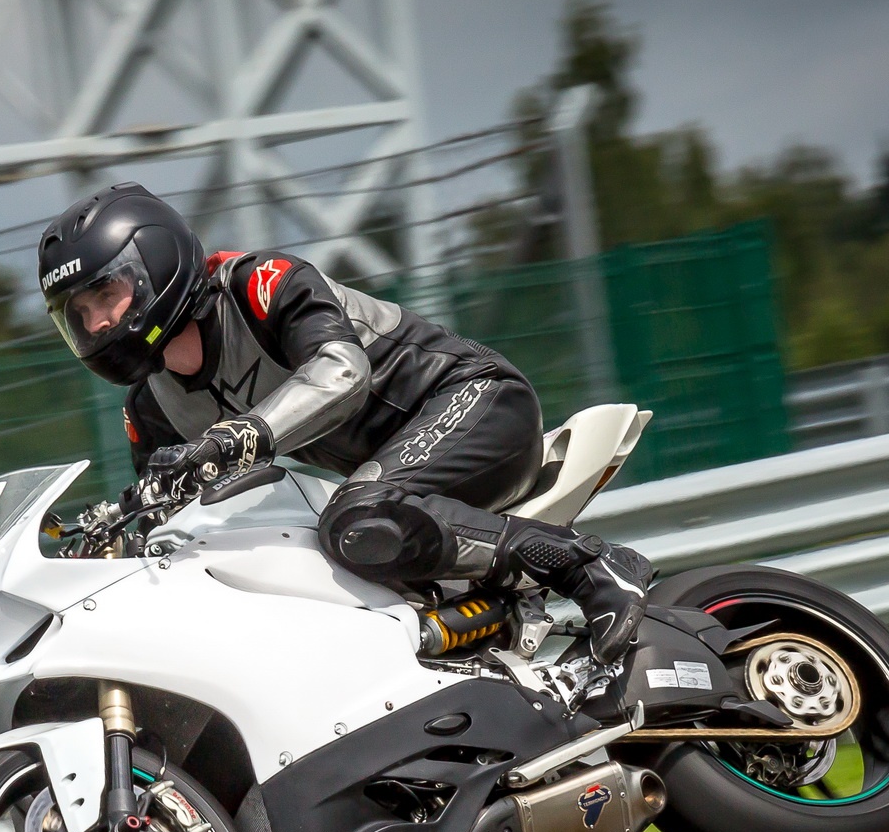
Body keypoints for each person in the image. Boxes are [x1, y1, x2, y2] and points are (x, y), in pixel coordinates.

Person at [36, 182, 650, 664]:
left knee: (355, 521)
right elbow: (166, 520)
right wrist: (107, 546)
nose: (95, 324)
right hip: (392, 483)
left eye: (106, 294)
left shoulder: (259, 286)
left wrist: (241, 436)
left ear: (157, 264)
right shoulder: (149, 408)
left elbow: (342, 371)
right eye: (78, 313)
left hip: (476, 401)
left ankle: (590, 566)